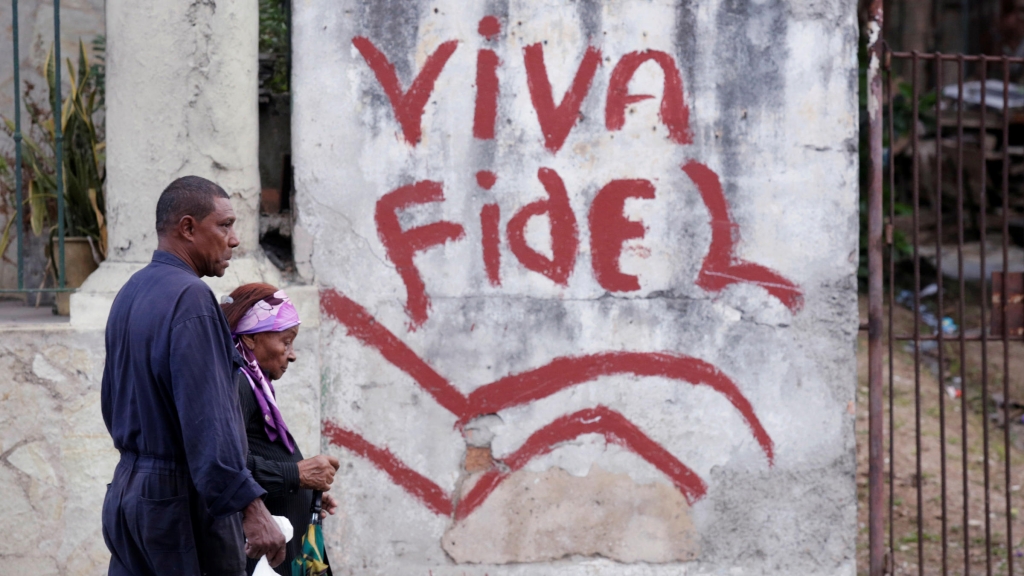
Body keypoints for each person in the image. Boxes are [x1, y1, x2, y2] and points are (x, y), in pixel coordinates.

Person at [101, 176, 286, 576]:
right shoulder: (192, 300)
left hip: (128, 495)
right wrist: (251, 508)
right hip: (178, 505)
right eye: (224, 225)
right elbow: (209, 423)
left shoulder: (131, 291)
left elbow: (111, 403)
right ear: (187, 228)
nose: (234, 239)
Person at [221, 283, 340, 575]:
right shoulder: (238, 386)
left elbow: (252, 457)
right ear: (250, 338)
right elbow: (223, 463)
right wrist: (295, 475)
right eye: (286, 342)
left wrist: (300, 491)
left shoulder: (254, 387)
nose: (292, 354)